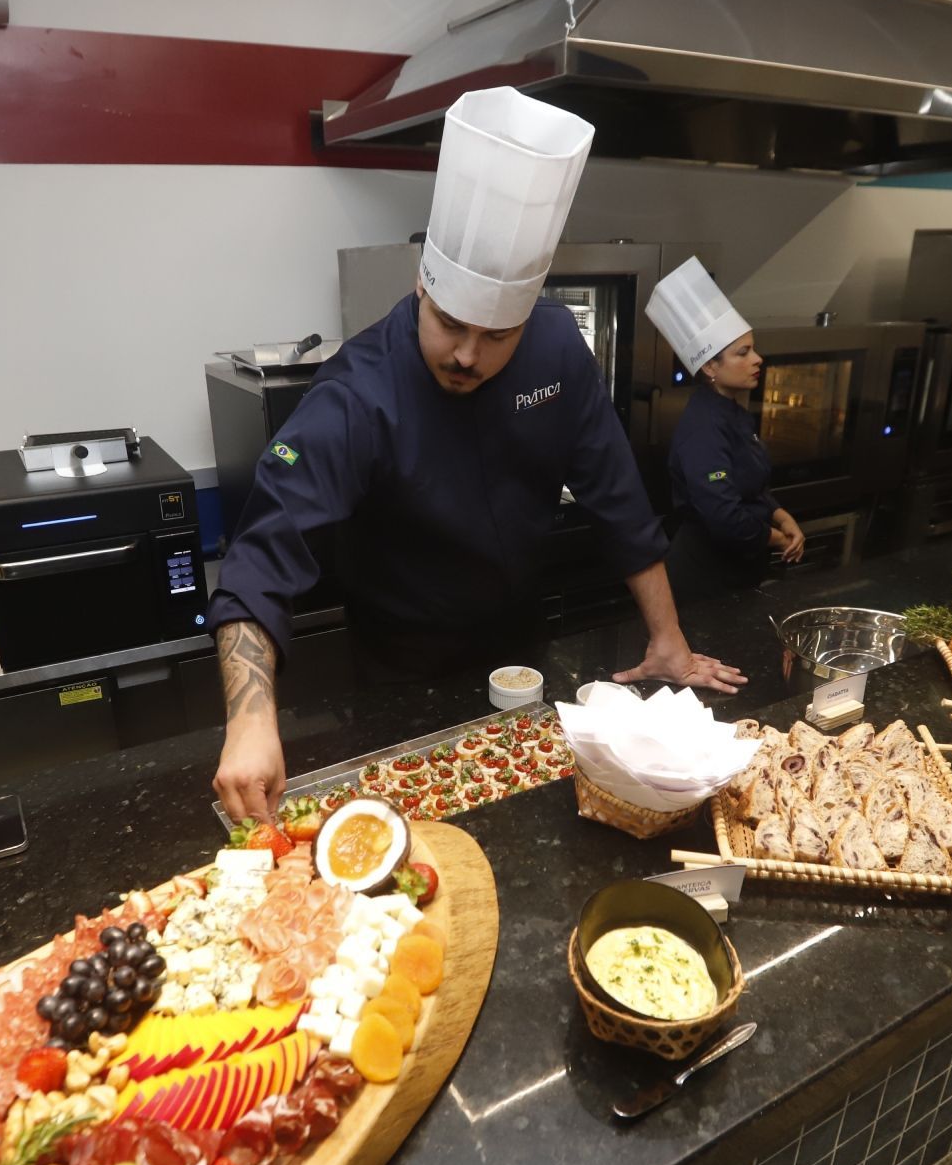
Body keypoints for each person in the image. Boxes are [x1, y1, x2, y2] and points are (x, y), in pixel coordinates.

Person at [207, 87, 745, 821]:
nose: (468, 355)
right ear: (421, 284)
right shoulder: (358, 396)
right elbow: (262, 553)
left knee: (528, 823)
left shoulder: (557, 347)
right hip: (402, 664)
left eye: (498, 336)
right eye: (452, 325)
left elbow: (616, 496)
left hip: (524, 646)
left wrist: (669, 640)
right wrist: (248, 722)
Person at [647, 257, 805, 600]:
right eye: (743, 353)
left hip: (736, 570)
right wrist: (779, 539)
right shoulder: (703, 428)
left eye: (754, 349)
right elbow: (724, 516)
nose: (757, 359)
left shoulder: (732, 411)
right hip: (704, 578)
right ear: (709, 367)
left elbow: (749, 484)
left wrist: (781, 515)